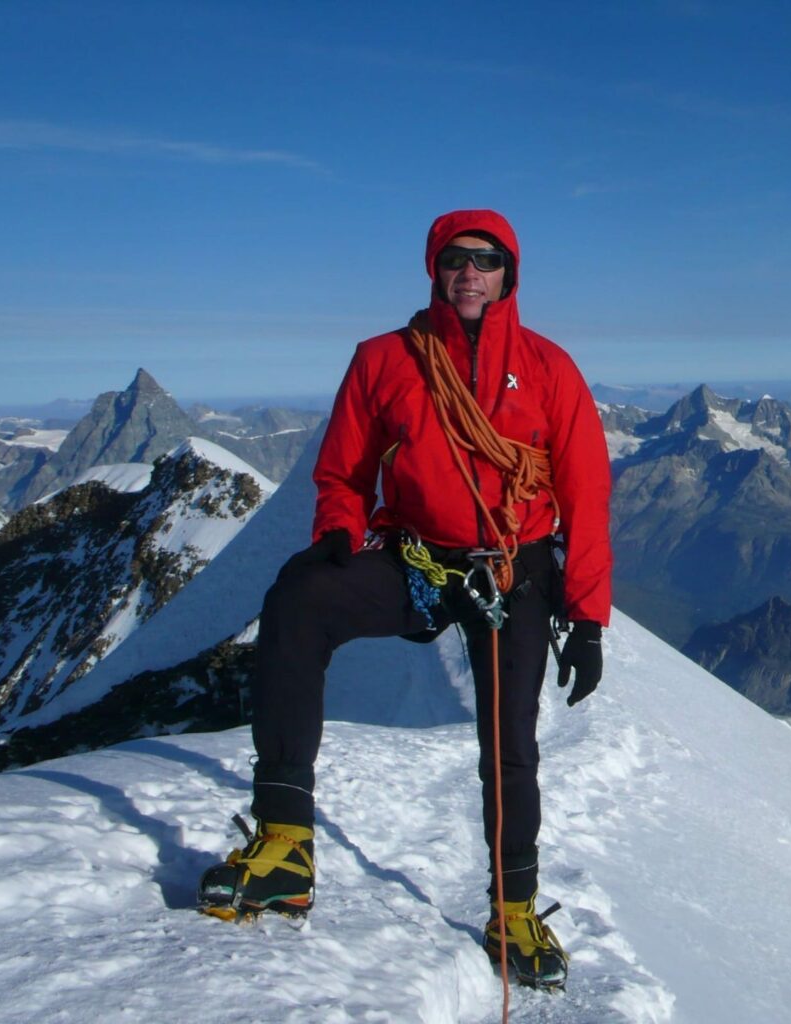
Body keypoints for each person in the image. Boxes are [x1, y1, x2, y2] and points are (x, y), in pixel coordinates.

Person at [198, 209, 612, 990]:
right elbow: (344, 470)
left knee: (509, 734)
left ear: (509, 274)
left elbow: (586, 494)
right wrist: (337, 530)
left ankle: (513, 908)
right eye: (455, 259)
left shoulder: (548, 367)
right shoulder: (384, 358)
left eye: (486, 260)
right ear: (434, 268)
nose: (469, 273)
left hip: (511, 568)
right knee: (299, 599)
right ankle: (284, 844)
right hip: (417, 557)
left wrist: (587, 616)